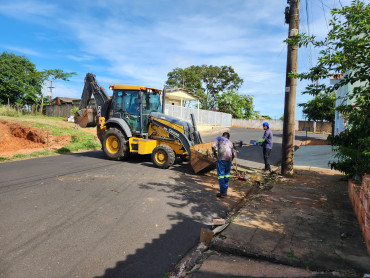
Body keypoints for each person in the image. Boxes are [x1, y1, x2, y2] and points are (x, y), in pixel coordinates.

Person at [212, 132, 234, 198]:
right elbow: (233, 154)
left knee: (221, 176)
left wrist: (214, 154)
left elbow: (213, 146)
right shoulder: (230, 142)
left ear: (223, 136)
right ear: (228, 137)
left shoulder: (219, 138)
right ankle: (225, 192)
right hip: (228, 160)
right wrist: (230, 161)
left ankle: (222, 193)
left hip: (221, 160)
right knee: (226, 175)